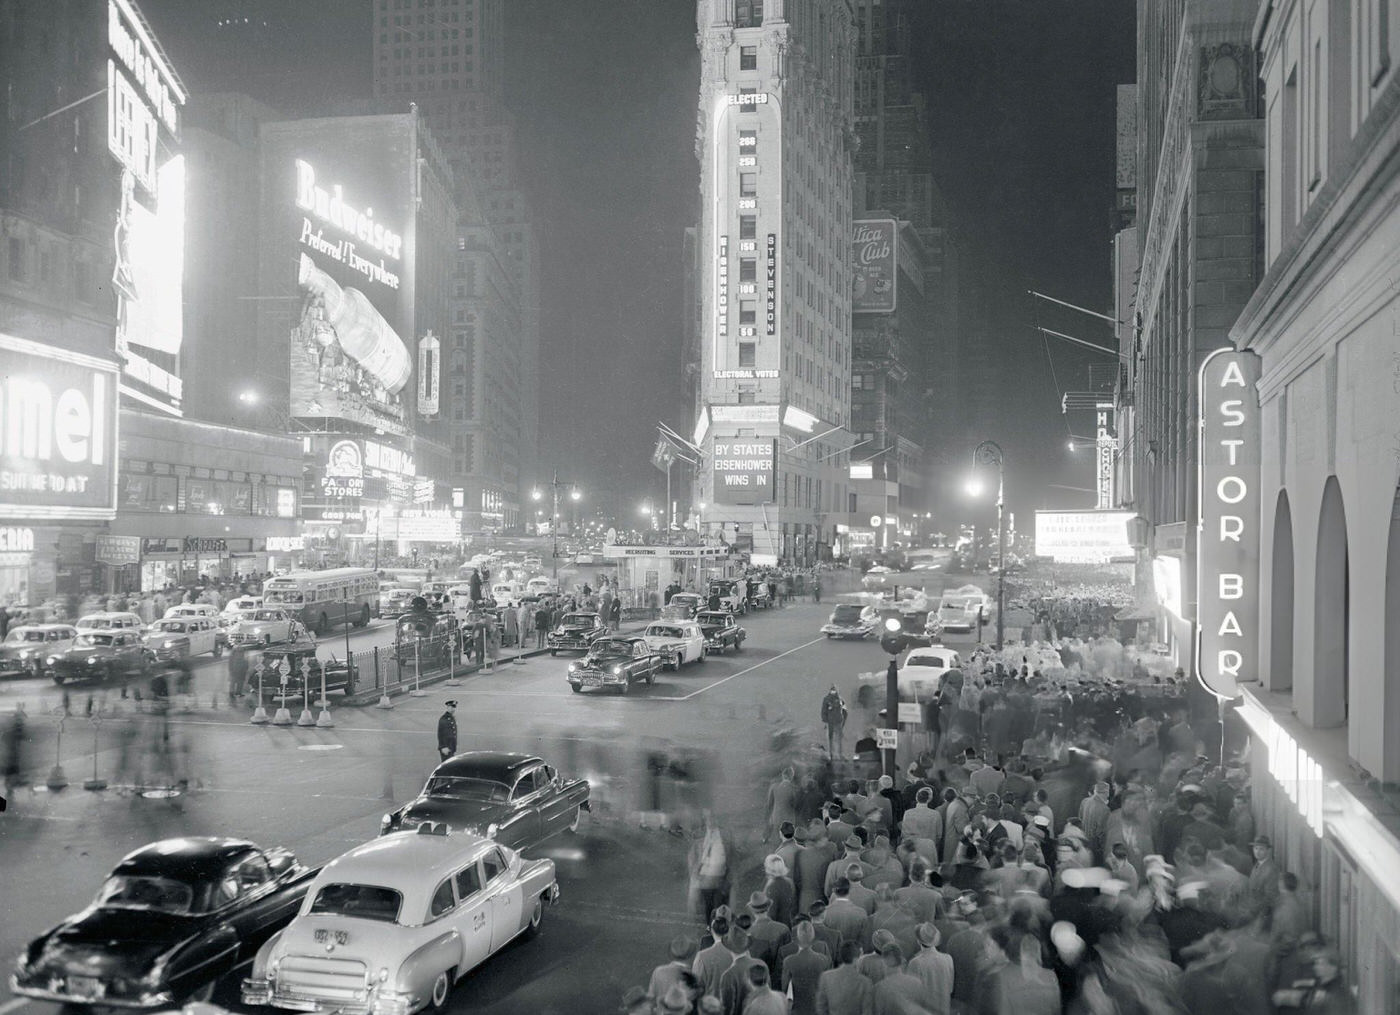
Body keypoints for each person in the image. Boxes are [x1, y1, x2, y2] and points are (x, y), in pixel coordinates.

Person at [820, 686, 848, 761]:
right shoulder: (826, 699)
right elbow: (823, 711)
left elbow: (845, 710)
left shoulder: (840, 699)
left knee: (839, 739)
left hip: (838, 722)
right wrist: (825, 721)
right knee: (830, 739)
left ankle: (840, 754)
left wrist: (843, 720)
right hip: (830, 723)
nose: (834, 692)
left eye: (835, 690)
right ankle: (830, 755)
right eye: (832, 690)